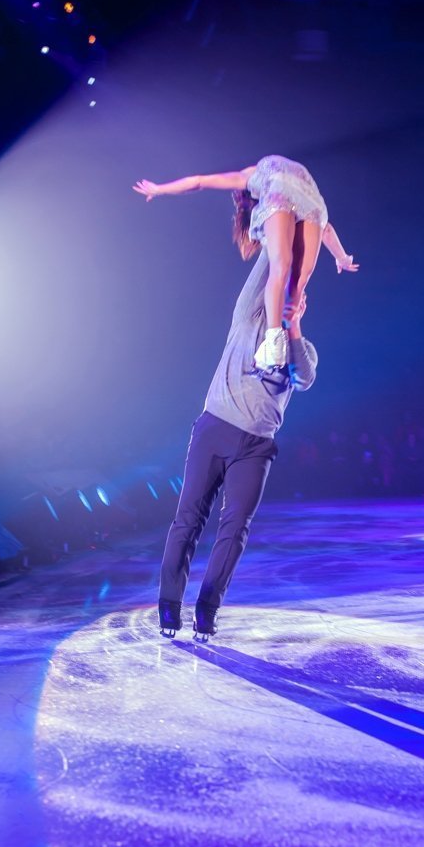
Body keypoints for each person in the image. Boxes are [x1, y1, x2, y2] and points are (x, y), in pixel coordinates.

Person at [156, 250, 317, 640]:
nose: (286, 300)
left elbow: (304, 378)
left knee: (235, 528)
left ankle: (207, 609)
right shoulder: (248, 318)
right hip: (214, 428)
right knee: (189, 518)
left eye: (296, 299)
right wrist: (275, 232)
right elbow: (270, 263)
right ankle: (169, 604)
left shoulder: (303, 349)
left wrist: (293, 327)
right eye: (283, 294)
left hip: (256, 447)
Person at [133, 154, 357, 371]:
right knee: (298, 284)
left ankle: (274, 340)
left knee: (280, 267)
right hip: (315, 203)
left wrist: (160, 189)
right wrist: (342, 257)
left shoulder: (251, 176)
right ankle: (277, 341)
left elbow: (200, 181)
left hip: (281, 188)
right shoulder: (263, 174)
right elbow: (325, 229)